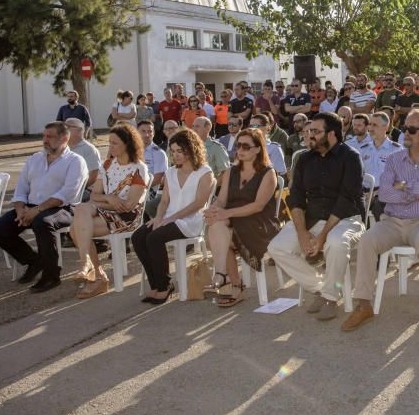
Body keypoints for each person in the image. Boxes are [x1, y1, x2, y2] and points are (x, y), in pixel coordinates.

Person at [341, 107, 419, 335]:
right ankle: (363, 304)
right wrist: (412, 191)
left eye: (411, 129)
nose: (406, 134)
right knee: (366, 240)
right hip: (392, 221)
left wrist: (404, 186)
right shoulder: (393, 159)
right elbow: (384, 194)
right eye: (404, 129)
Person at [268, 112, 365, 321]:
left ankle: (331, 297)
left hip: (346, 219)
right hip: (311, 219)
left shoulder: (351, 157)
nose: (309, 135)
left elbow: (346, 200)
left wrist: (321, 237)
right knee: (276, 247)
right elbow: (295, 198)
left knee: (336, 242)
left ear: (331, 134)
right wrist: (302, 233)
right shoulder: (304, 158)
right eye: (309, 131)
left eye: (315, 131)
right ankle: (321, 288)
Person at [0, 122, 87, 292]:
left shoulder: (75, 161)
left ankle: (51, 276)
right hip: (31, 207)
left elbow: (67, 193)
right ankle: (34, 261)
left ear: (64, 138)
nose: (45, 140)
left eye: (50, 136)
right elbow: (21, 189)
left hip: (64, 208)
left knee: (42, 221)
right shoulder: (34, 159)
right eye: (44, 136)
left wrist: (37, 210)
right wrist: (20, 209)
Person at [132, 129, 215, 305]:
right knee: (138, 236)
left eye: (180, 151)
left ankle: (165, 285)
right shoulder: (170, 172)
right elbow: (164, 201)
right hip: (170, 217)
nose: (175, 155)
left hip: (191, 221)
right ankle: (155, 284)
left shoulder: (204, 172)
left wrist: (171, 219)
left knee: (154, 238)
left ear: (191, 149)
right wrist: (158, 218)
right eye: (173, 151)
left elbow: (199, 203)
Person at [201, 128, 279, 307]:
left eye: (246, 146)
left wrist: (225, 213)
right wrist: (214, 210)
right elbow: (222, 200)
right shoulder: (231, 172)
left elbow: (258, 205)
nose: (240, 150)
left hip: (259, 223)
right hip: (233, 220)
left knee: (221, 232)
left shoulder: (268, 173)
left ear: (258, 149)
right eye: (238, 146)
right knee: (217, 225)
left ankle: (230, 281)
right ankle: (224, 276)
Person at [69, 123, 148, 298]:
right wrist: (110, 199)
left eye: (114, 143)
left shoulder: (139, 168)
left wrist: (104, 201)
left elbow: (128, 205)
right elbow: (94, 196)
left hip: (127, 218)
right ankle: (90, 268)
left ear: (127, 144)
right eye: (109, 142)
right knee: (81, 211)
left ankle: (96, 273)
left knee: (75, 229)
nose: (110, 147)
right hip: (107, 211)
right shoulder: (107, 165)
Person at [137, 119, 168, 218]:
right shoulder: (130, 151)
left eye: (150, 131)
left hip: (148, 191)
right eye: (143, 131)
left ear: (154, 133)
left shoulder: (158, 153)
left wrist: (136, 188)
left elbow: (158, 179)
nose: (147, 135)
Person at [66, 118, 101, 197]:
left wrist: (77, 188)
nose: (64, 129)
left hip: (82, 190)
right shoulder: (62, 147)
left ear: (79, 130)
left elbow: (93, 176)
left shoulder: (89, 149)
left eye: (68, 126)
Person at [248, 113, 288, 178]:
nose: (252, 129)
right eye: (250, 126)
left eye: (256, 126)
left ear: (267, 128)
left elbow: (278, 174)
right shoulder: (245, 146)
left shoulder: (274, 148)